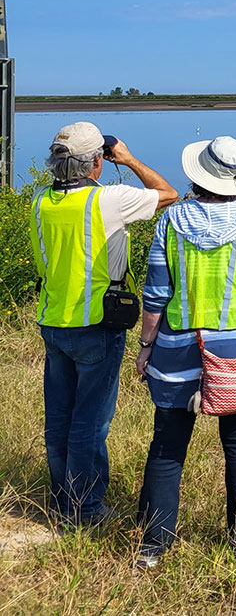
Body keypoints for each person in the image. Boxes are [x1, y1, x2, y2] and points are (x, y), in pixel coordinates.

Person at [134, 136, 236, 567]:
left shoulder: (171, 220)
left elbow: (156, 293)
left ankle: (153, 544)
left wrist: (146, 346)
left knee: (167, 445)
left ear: (200, 175)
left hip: (177, 347)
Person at [29, 122, 176, 525]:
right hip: (96, 323)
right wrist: (126, 159)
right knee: (90, 423)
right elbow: (168, 194)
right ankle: (86, 509)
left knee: (59, 419)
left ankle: (62, 501)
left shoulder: (40, 200)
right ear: (97, 162)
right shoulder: (107, 201)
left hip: (53, 322)